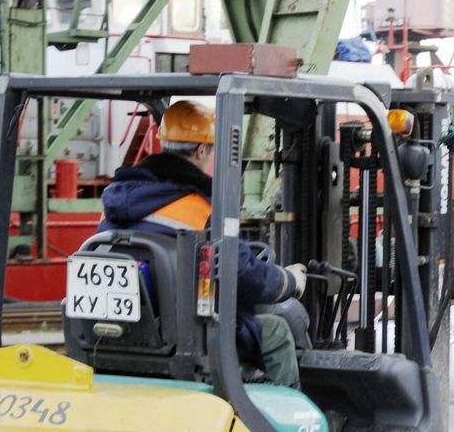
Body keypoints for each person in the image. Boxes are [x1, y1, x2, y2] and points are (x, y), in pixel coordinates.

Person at [97, 100, 307, 387]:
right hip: (186, 336)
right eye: (209, 149)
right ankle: (275, 416)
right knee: (278, 332)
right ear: (200, 150)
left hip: (121, 332)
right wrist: (289, 281)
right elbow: (244, 275)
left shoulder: (113, 203)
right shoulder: (201, 210)